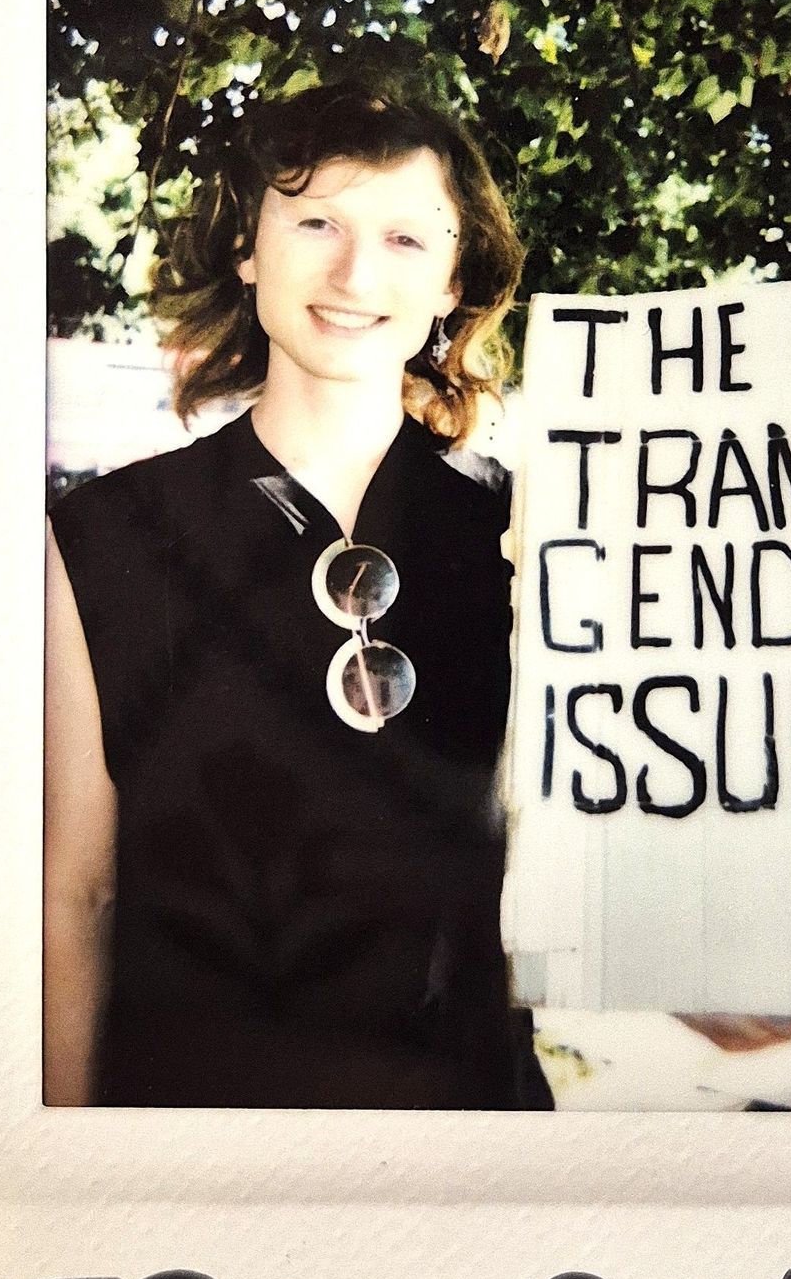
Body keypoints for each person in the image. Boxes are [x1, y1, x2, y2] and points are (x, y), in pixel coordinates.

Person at [44, 77, 554, 1109]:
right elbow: (77, 893)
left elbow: (587, 872)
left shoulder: (526, 544)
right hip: (189, 1149)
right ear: (248, 247)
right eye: (316, 219)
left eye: (407, 239)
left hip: (462, 1148)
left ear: (456, 278)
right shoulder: (101, 542)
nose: (354, 270)